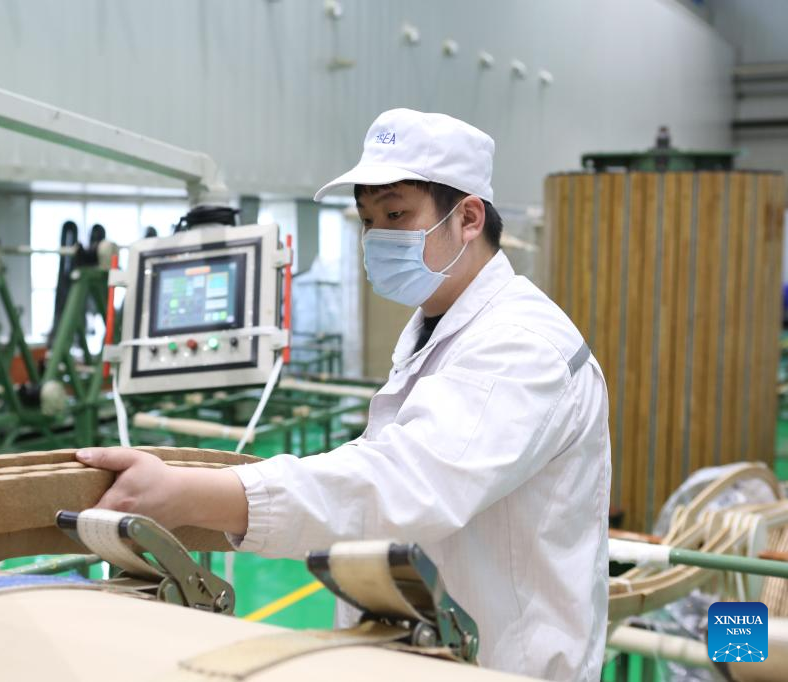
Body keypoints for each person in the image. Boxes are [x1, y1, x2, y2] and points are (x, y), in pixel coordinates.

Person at [76, 109, 611, 681]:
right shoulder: (439, 329)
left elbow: (405, 484)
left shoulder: (522, 345)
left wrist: (188, 493)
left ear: (469, 218)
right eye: (368, 220)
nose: (377, 236)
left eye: (396, 214)